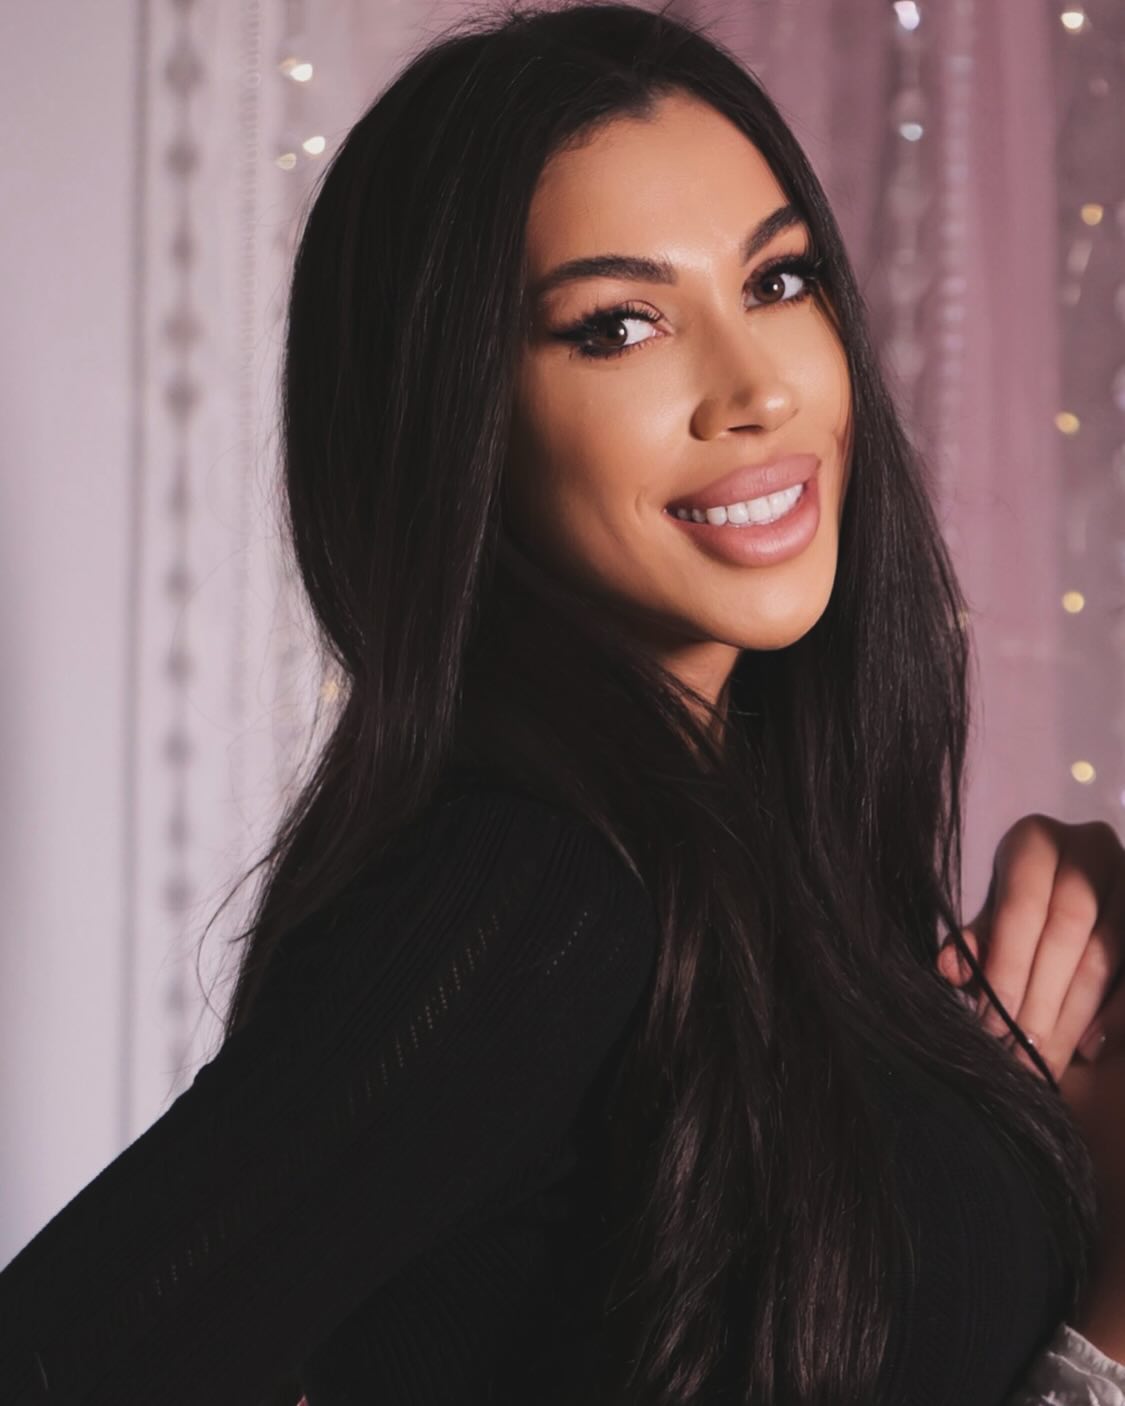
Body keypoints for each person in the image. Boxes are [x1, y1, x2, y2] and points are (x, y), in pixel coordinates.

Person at [2, 3, 1125, 1402]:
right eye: (618, 326)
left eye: (777, 281)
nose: (755, 390)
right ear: (457, 420)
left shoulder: (784, 891)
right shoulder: (531, 891)